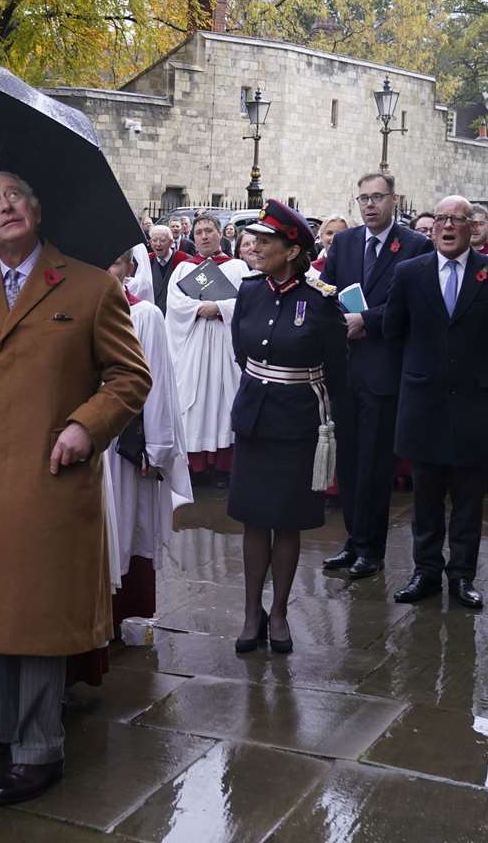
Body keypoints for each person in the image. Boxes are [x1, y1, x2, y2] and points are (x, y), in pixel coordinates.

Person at [0, 171, 150, 807]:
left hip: (52, 478)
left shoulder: (92, 286)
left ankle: (39, 749)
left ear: (37, 211)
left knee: (37, 614)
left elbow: (130, 377)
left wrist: (84, 426)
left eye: (16, 195)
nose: (6, 205)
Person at [386, 196, 488, 610]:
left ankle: (463, 576)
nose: (447, 226)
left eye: (457, 220)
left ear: (473, 228)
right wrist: (417, 370)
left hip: (478, 404)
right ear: (432, 228)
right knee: (426, 497)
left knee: (469, 498)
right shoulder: (409, 273)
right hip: (424, 401)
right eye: (441, 219)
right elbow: (394, 332)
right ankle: (425, 572)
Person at [226, 202, 344, 654]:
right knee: (254, 520)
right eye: (255, 239)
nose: (255, 246)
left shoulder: (319, 300)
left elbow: (337, 368)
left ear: (292, 250)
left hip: (297, 424)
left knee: (287, 522)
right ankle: (251, 611)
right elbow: (243, 349)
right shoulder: (251, 291)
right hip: (255, 417)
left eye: (267, 241)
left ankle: (279, 612)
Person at [317, 173, 432, 580]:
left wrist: (367, 320)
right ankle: (352, 540)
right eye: (363, 198)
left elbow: (412, 307)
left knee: (375, 464)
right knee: (348, 462)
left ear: (393, 199)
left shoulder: (415, 246)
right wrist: (337, 320)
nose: (369, 205)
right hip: (345, 368)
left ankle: (373, 548)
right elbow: (326, 292)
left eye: (377, 198)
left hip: (384, 369)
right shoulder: (345, 243)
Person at [102, 250, 191, 627]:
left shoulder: (143, 315)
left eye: (114, 263)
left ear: (129, 270)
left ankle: (123, 614)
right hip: (82, 437)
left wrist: (155, 447)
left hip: (125, 440)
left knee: (126, 523)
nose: (106, 270)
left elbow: (154, 384)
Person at [166, 215, 252, 486]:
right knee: (193, 399)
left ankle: (224, 466)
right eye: (199, 232)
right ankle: (195, 466)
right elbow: (175, 303)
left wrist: (221, 308)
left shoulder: (238, 267)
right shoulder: (183, 269)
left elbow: (249, 302)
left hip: (226, 343)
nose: (204, 236)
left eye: (209, 231)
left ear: (220, 234)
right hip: (194, 343)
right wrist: (198, 309)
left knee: (224, 398)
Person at [139, 224, 191, 311]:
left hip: (176, 313)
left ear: (171, 242)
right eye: (154, 240)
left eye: (162, 240)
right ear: (150, 243)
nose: (158, 244)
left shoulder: (185, 260)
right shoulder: (146, 261)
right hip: (153, 313)